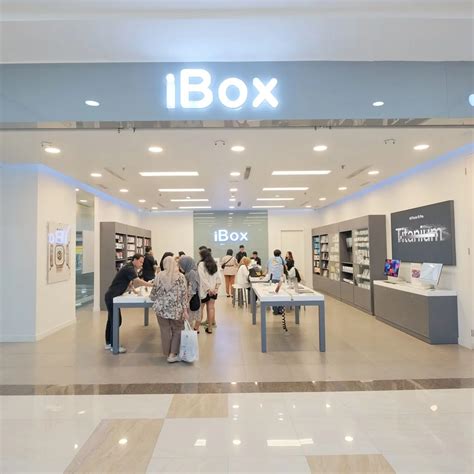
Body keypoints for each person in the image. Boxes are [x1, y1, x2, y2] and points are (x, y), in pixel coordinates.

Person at [104, 254, 153, 353]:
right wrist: (151, 285)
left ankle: (109, 343)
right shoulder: (129, 268)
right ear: (135, 260)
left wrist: (133, 290)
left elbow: (129, 282)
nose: (141, 264)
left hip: (111, 296)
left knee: (111, 320)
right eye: (140, 262)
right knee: (116, 320)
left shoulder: (129, 267)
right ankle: (114, 346)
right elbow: (136, 281)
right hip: (112, 297)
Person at [150, 256, 188, 363]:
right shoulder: (180, 277)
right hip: (176, 309)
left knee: (164, 330)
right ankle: (172, 354)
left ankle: (166, 352)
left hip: (161, 309)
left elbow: (153, 293)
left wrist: (155, 297)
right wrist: (185, 310)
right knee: (177, 330)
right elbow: (184, 295)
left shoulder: (159, 276)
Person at [198, 248, 221, 334]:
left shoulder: (201, 264)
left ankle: (197, 328)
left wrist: (208, 289)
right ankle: (210, 328)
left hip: (204, 291)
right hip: (213, 291)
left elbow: (202, 278)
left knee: (201, 309)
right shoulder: (215, 264)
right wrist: (215, 289)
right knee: (211, 308)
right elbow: (219, 278)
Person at [179, 255, 202, 332]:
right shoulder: (190, 271)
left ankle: (189, 334)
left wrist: (187, 301)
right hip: (191, 297)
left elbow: (192, 289)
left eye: (181, 265)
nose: (180, 267)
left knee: (189, 319)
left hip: (191, 298)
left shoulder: (191, 273)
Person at [266, 249, 286, 315]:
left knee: (273, 294)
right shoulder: (281, 259)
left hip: (272, 278)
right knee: (281, 294)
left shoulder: (270, 259)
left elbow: (267, 268)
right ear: (280, 254)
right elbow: (284, 267)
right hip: (279, 278)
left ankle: (275, 310)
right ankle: (280, 309)